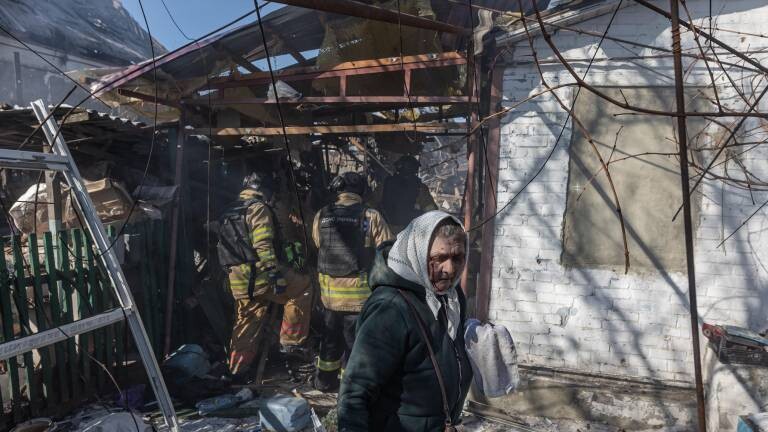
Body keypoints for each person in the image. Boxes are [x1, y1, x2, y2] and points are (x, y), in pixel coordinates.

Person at [338, 211, 473, 432]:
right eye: (439, 258)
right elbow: (355, 392)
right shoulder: (390, 308)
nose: (449, 269)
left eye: (458, 258)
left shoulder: (450, 298)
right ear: (418, 253)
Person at [219, 171, 312, 378]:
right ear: (264, 190)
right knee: (303, 287)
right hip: (260, 276)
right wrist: (275, 275)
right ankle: (291, 344)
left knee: (245, 323)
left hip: (238, 280)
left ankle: (236, 370)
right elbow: (263, 245)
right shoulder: (258, 209)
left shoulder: (229, 210)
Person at [311, 172, 393, 391]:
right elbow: (387, 250)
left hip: (329, 297)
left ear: (337, 189)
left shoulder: (322, 214)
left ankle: (324, 382)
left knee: (329, 342)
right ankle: (351, 386)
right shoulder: (371, 216)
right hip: (358, 298)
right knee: (355, 345)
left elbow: (318, 243)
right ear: (362, 191)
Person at [372, 155, 438, 234]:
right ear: (415, 169)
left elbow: (371, 204)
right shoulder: (420, 188)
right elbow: (431, 211)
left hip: (386, 231)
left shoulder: (385, 184)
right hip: (409, 232)